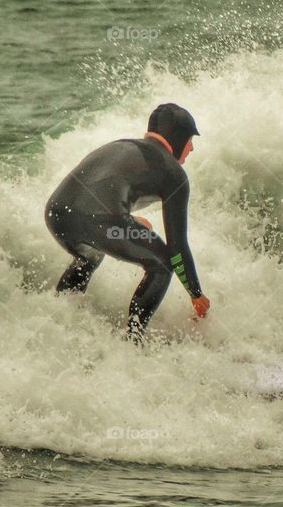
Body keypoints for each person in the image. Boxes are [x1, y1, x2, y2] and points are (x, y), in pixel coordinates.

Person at [44, 103, 210, 344]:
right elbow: (177, 248)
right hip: (104, 223)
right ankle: (133, 341)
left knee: (90, 254)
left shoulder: (119, 146)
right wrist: (196, 294)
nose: (192, 148)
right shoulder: (173, 173)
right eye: (190, 139)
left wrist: (124, 223)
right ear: (178, 137)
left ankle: (58, 322)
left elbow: (98, 190)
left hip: (58, 214)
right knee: (162, 264)